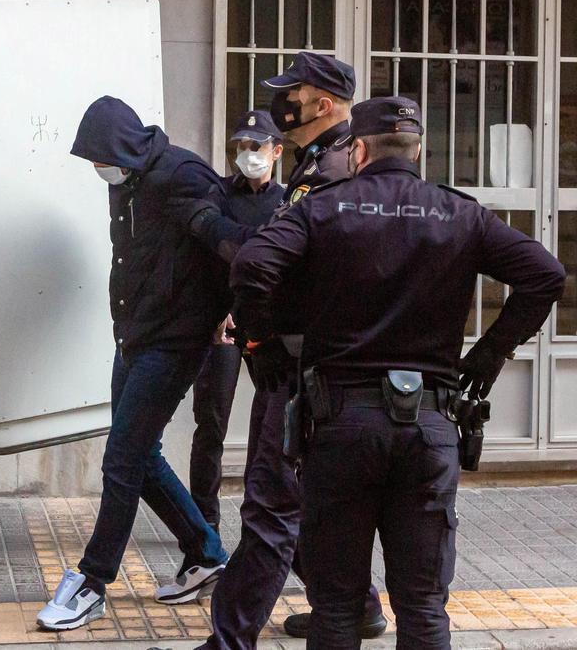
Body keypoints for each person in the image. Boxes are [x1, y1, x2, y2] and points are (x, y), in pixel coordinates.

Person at [229, 96, 565, 649]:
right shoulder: (460, 213)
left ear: (357, 149)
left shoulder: (323, 208)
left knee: (336, 609)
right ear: (418, 151)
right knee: (424, 608)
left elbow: (251, 266)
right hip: (429, 429)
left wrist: (263, 345)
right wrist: (490, 353)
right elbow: (545, 275)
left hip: (339, 425)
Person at [190, 52, 388, 650]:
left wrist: (261, 334)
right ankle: (358, 609)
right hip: (312, 360)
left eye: (293, 94)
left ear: (324, 104)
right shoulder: (326, 161)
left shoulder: (329, 170)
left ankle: (230, 640)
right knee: (294, 499)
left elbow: (288, 266)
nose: (284, 104)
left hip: (305, 365)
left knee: (270, 503)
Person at [35, 96, 231, 631]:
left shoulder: (182, 176)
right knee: (139, 459)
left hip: (175, 342)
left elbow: (224, 244)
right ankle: (207, 552)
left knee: (121, 458)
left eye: (99, 158)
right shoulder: (129, 183)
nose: (98, 170)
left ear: (121, 148)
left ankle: (92, 582)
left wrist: (222, 313)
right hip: (137, 338)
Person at [186, 110, 285, 535]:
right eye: (241, 147)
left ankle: (260, 514)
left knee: (270, 426)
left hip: (267, 321)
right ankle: (202, 519)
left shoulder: (288, 199)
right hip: (222, 321)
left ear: (276, 151)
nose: (247, 155)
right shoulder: (219, 192)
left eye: (256, 146)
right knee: (211, 422)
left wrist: (237, 243)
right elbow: (209, 237)